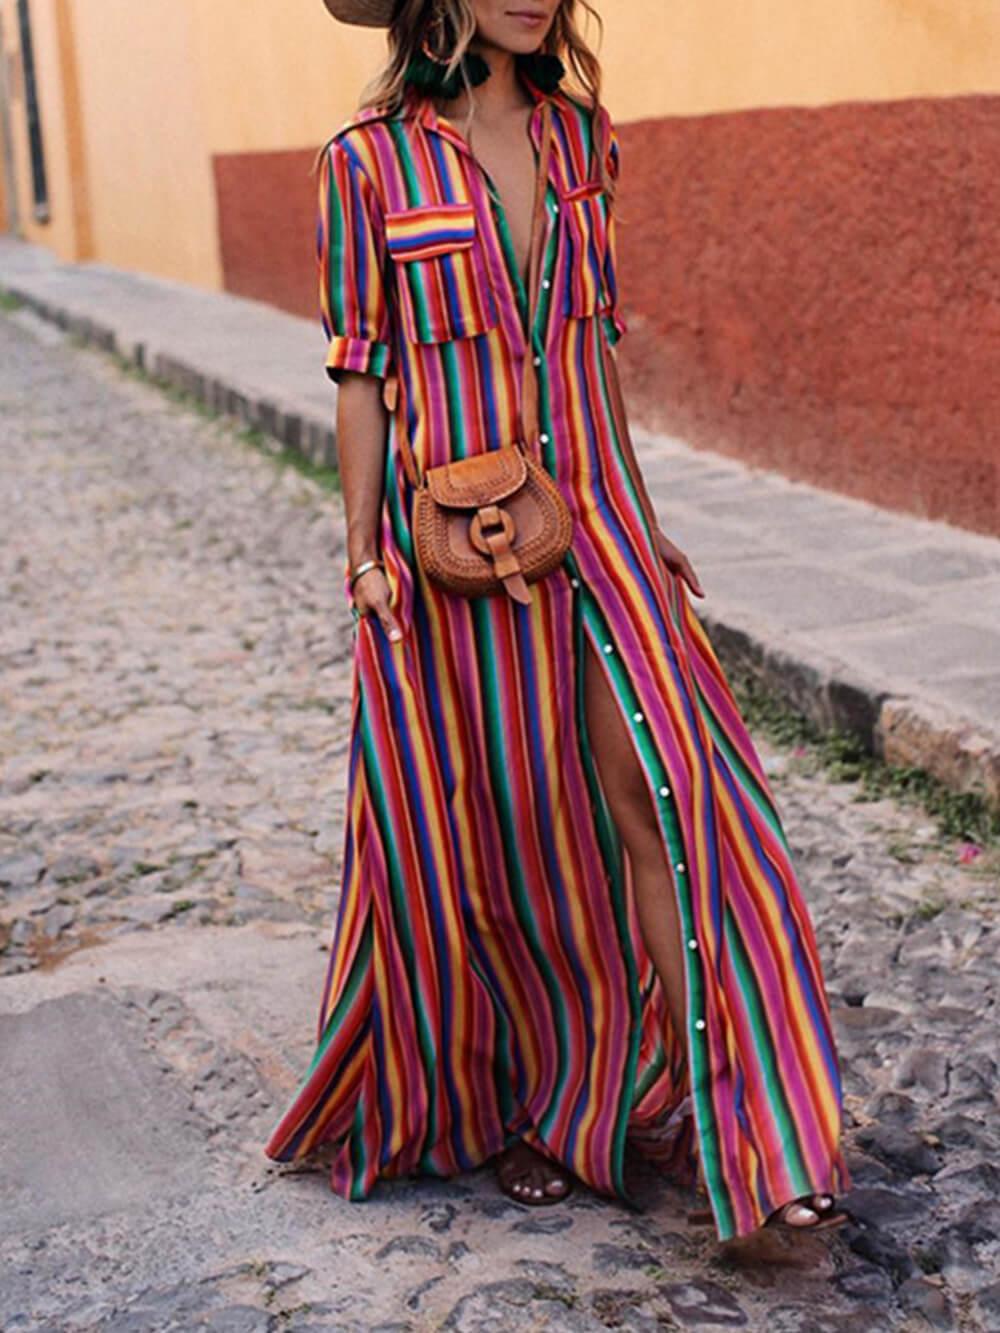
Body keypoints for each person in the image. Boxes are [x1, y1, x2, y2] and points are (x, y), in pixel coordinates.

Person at [264, 0, 853, 1243]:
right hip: (458, 551)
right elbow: (360, 372)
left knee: (680, 799)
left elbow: (595, 353)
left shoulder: (583, 140)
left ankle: (756, 1128)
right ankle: (559, 1103)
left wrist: (642, 514)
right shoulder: (364, 162)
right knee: (517, 837)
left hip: (600, 531)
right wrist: (363, 552)